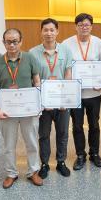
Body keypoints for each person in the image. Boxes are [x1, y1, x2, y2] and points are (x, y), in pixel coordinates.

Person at [0, 28, 43, 189]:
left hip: (28, 110)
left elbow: (37, 82)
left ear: (21, 41)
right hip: (7, 112)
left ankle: (33, 171)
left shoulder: (29, 58)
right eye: (8, 42)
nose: (11, 45)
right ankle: (11, 173)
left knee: (32, 143)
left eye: (15, 41)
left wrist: (38, 105)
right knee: (9, 145)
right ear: (3, 42)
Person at [30, 18, 74, 179]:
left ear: (57, 32)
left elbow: (68, 74)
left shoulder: (66, 50)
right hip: (44, 103)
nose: (49, 33)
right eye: (45, 30)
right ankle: (44, 163)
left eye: (52, 30)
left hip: (61, 101)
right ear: (41, 32)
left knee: (63, 133)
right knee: (44, 134)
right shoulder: (33, 53)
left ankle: (61, 162)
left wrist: (66, 99)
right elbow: (34, 78)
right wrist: (42, 102)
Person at [62, 13, 101, 169]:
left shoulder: (99, 43)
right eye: (80, 25)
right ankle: (80, 155)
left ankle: (95, 154)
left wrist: (100, 83)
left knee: (94, 124)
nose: (83, 28)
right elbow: (64, 67)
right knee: (77, 126)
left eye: (87, 25)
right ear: (76, 27)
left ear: (91, 27)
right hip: (75, 94)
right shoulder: (66, 44)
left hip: (94, 93)